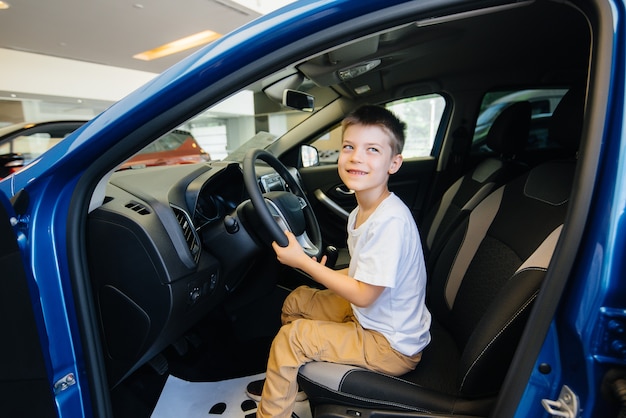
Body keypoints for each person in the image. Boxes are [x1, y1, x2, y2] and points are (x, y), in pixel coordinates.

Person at [249, 104, 431, 418]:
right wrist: (315, 269)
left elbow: (363, 293)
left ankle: (273, 413)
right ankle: (295, 386)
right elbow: (365, 273)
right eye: (349, 146)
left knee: (291, 339)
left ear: (394, 163)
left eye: (372, 149)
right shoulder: (363, 211)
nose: (356, 157)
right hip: (372, 317)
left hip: (390, 345)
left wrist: (307, 265)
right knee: (297, 301)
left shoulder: (390, 222)